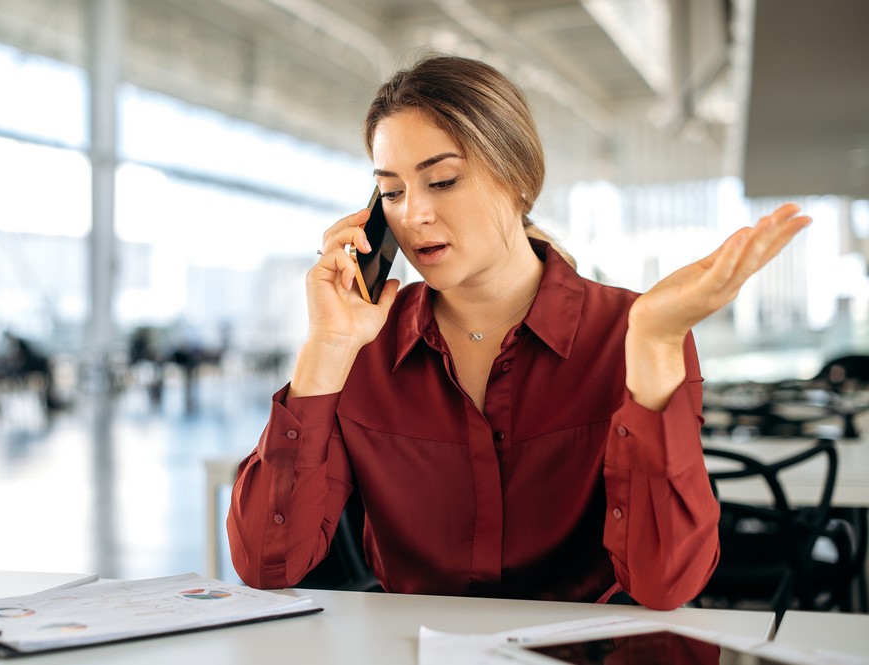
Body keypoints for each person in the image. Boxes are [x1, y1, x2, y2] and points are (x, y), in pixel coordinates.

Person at [227, 55, 811, 610]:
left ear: (518, 179)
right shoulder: (363, 347)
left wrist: (656, 346)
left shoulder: (627, 334)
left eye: (444, 181)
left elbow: (665, 584)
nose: (413, 216)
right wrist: (325, 349)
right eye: (392, 191)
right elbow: (266, 565)